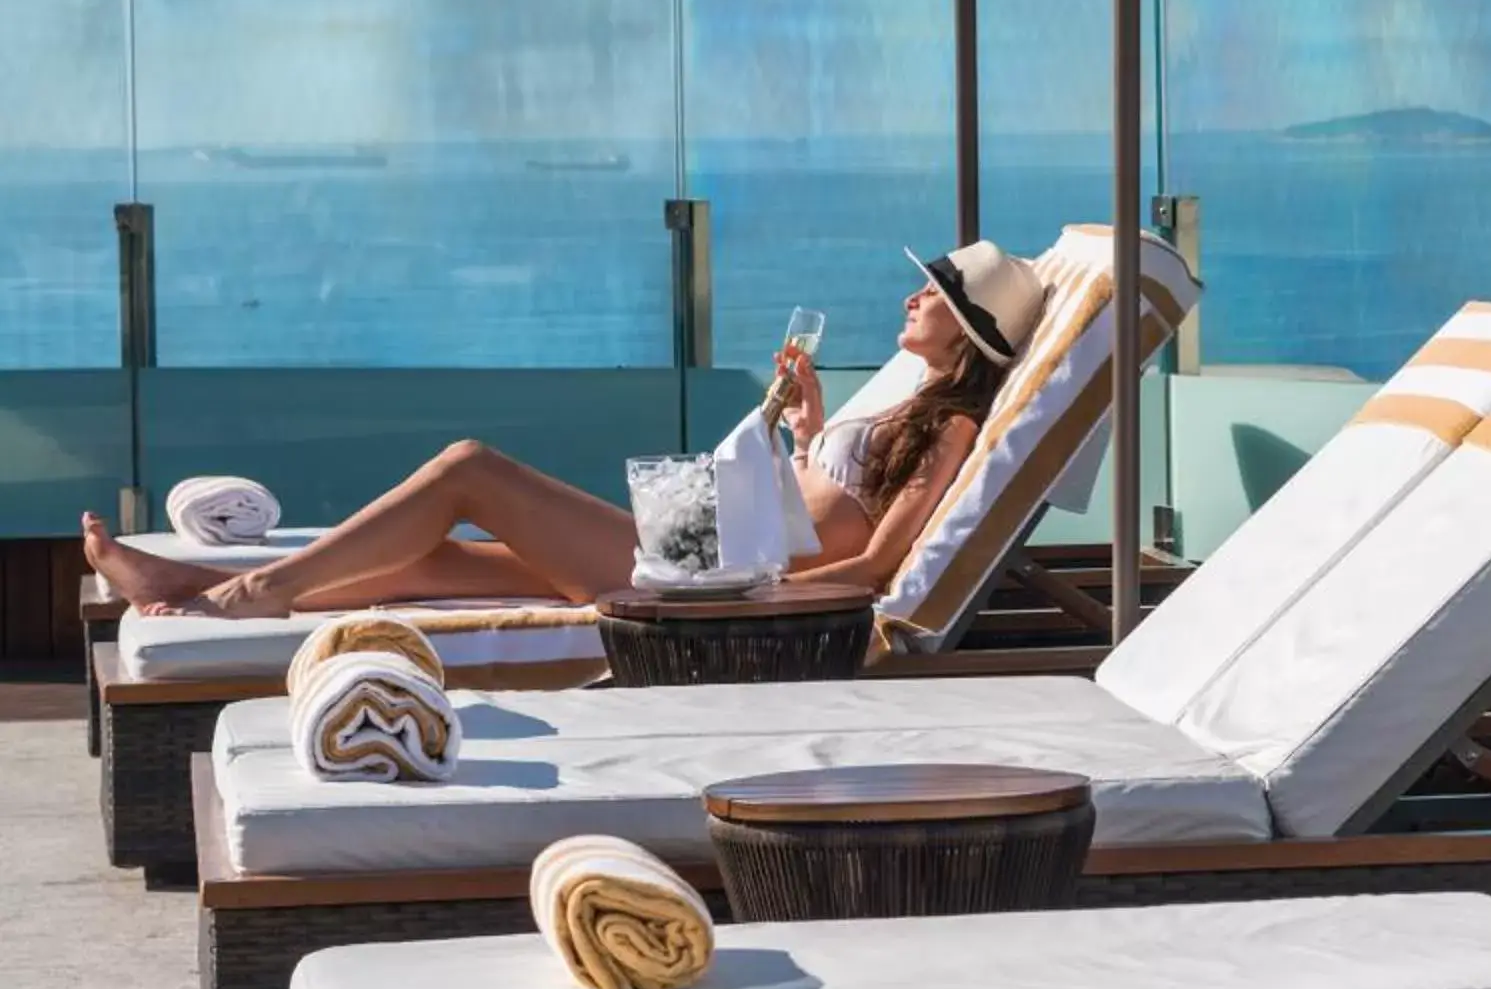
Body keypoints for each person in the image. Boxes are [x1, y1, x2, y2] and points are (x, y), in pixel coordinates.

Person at [81, 243, 1046, 620]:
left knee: (469, 469)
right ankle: (187, 585)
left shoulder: (952, 428)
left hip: (711, 568)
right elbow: (822, 504)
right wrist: (806, 430)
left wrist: (749, 601)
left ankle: (250, 590)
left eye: (936, 293)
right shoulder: (904, 406)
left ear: (964, 333)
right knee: (443, 562)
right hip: (704, 541)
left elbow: (877, 566)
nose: (915, 294)